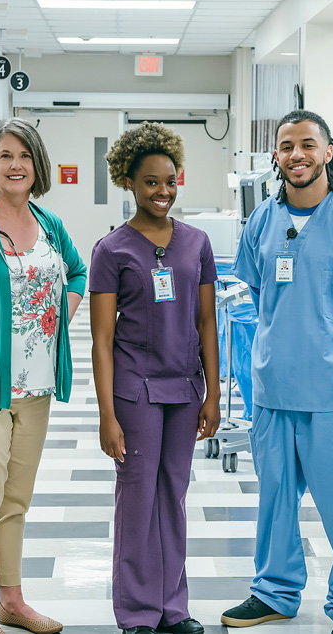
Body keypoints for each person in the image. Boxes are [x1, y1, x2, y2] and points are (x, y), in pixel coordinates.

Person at [223, 110, 333, 634]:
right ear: (276, 156)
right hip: (273, 389)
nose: (297, 154)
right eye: (286, 146)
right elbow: (256, 291)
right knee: (274, 502)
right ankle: (273, 591)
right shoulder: (262, 221)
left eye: (308, 145)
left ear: (329, 152)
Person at [0, 118, 87, 634]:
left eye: (25, 157)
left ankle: (14, 600)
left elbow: (77, 270)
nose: (15, 165)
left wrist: (62, 313)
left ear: (38, 166)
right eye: (5, 155)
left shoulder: (48, 223)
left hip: (37, 385)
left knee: (16, 501)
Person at [89, 123, 222, 634]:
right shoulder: (112, 249)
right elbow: (102, 338)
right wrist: (107, 414)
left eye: (170, 181)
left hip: (184, 389)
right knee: (138, 495)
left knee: (174, 493)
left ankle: (174, 608)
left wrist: (212, 393)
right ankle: (138, 612)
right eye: (150, 182)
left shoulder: (196, 243)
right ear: (130, 182)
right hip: (136, 390)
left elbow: (206, 320)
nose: (163, 191)